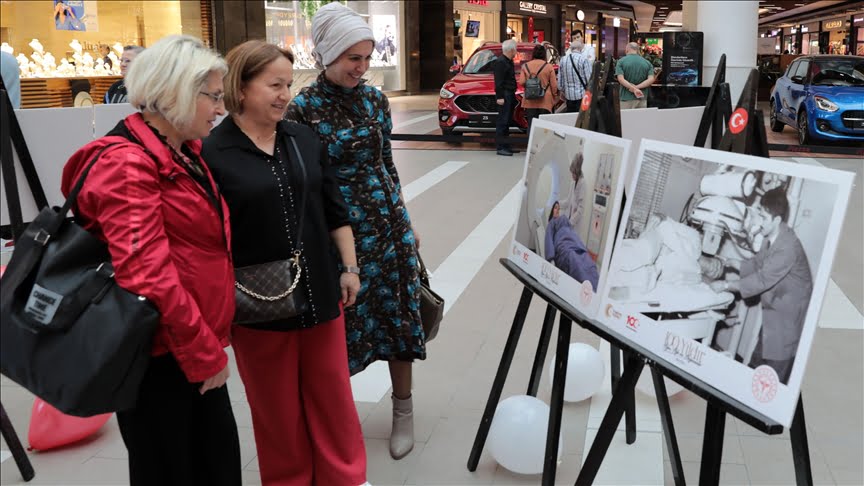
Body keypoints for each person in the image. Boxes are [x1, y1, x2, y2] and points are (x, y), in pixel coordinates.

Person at [58, 35, 241, 485]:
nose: (221, 108)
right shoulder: (128, 164)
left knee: (213, 464)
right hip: (160, 355)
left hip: (189, 344)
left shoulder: (181, 152)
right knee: (171, 468)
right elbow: (146, 273)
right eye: (213, 96)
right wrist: (203, 354)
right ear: (175, 91)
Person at [202, 40, 368, 486]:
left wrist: (349, 269)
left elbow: (335, 210)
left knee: (333, 399)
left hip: (320, 292)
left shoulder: (303, 139)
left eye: (288, 85)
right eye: (274, 85)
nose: (284, 95)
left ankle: (344, 478)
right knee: (276, 411)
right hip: (258, 303)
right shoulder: (212, 154)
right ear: (240, 87)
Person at [285, 2, 425, 461]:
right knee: (341, 332)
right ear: (327, 54)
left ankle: (402, 411)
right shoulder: (301, 109)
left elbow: (387, 164)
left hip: (389, 228)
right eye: (352, 58)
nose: (361, 68)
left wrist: (405, 218)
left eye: (366, 58)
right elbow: (302, 181)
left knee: (399, 320)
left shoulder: (374, 99)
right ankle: (336, 422)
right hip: (340, 237)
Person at [707, 188, 813, 385]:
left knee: (771, 380)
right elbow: (756, 264)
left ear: (776, 220)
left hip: (787, 322)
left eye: (762, 217)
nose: (757, 222)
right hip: (774, 314)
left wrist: (725, 284)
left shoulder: (787, 247)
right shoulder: (772, 238)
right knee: (757, 364)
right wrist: (730, 261)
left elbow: (761, 280)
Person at [545, 202, 599, 290]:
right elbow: (548, 238)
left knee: (589, 262)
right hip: (564, 243)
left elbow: (571, 231)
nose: (558, 210)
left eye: (559, 208)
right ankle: (589, 290)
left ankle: (597, 288)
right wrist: (550, 258)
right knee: (574, 260)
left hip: (575, 242)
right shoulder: (551, 223)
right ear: (551, 210)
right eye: (555, 208)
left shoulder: (564, 219)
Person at [517, 43, 558, 129]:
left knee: (531, 126)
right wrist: (554, 97)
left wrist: (530, 86)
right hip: (545, 101)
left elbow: (521, 82)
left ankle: (531, 142)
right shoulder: (549, 67)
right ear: (544, 54)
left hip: (530, 101)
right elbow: (554, 86)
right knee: (545, 127)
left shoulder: (525, 66)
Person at [493, 39, 518, 156]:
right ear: (511, 50)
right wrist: (500, 97)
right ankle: (500, 146)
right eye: (515, 49)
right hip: (505, 94)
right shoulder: (500, 62)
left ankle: (506, 144)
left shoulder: (509, 61)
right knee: (502, 121)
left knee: (508, 120)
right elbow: (499, 82)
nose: (516, 51)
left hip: (511, 93)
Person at [558, 30, 594, 113]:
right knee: (582, 118)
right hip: (582, 95)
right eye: (574, 38)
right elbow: (589, 79)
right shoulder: (584, 59)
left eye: (578, 37)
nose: (576, 39)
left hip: (569, 96)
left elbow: (560, 81)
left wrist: (563, 91)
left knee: (571, 117)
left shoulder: (563, 59)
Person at [615, 42, 655, 109]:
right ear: (637, 50)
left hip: (625, 99)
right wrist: (637, 88)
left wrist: (634, 89)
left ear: (627, 50)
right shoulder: (647, 63)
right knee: (640, 119)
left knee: (626, 119)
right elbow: (651, 79)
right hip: (642, 98)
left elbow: (621, 79)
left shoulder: (621, 62)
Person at [560, 152, 586, 231]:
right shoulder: (573, 183)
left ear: (577, 173)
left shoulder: (583, 184)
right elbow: (568, 201)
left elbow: (580, 209)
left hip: (575, 223)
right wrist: (557, 202)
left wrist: (570, 222)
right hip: (569, 218)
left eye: (573, 173)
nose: (572, 176)